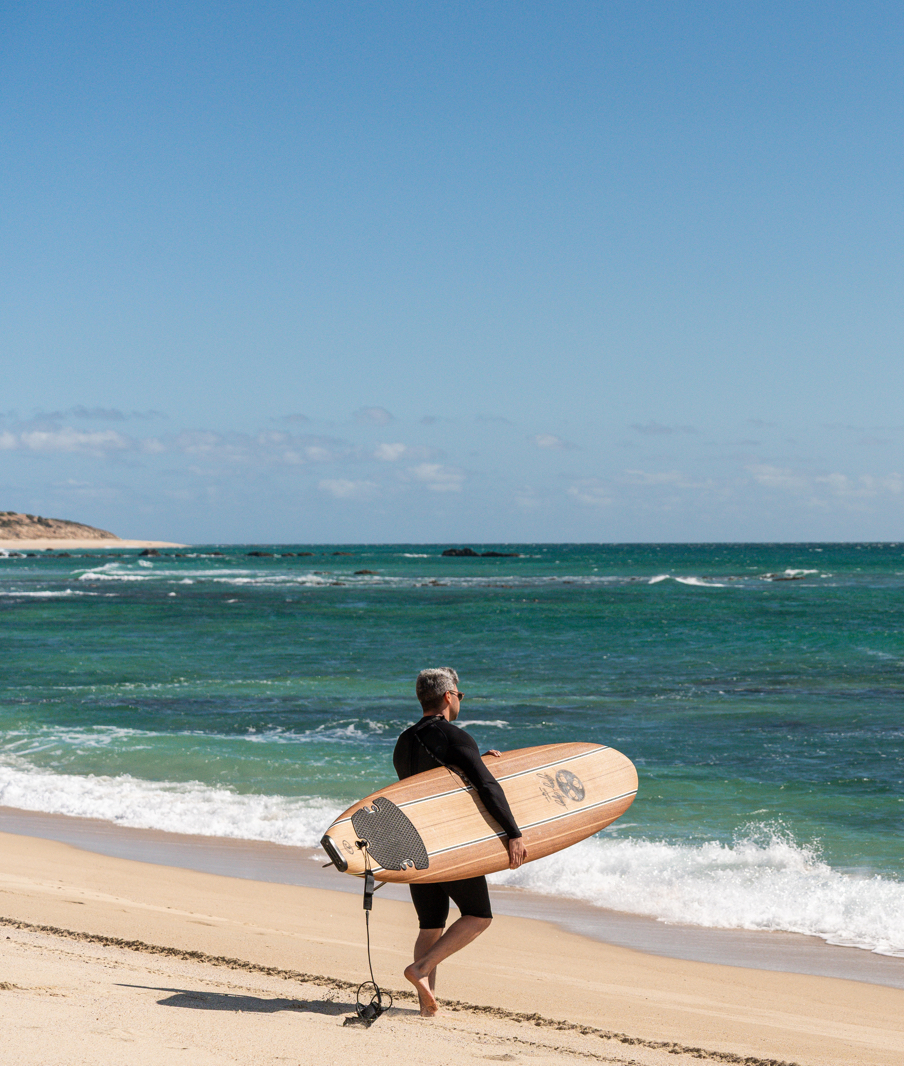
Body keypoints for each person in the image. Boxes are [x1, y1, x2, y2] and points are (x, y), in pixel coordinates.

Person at [393, 667, 527, 1017]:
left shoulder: (403, 742)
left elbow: (431, 785)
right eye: (460, 695)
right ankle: (419, 971)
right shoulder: (455, 737)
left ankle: (427, 1003)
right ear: (449, 696)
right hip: (449, 844)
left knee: (431, 924)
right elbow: (487, 786)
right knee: (478, 915)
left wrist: (474, 762)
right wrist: (513, 833)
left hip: (416, 845)